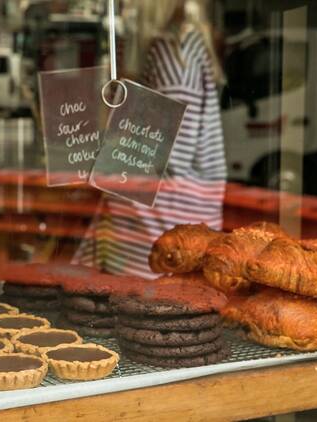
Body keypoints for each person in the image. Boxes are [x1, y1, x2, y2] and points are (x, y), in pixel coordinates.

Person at [72, 0, 227, 278]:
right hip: (167, 228)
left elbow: (167, 153)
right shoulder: (183, 46)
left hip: (153, 236)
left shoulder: (172, 53)